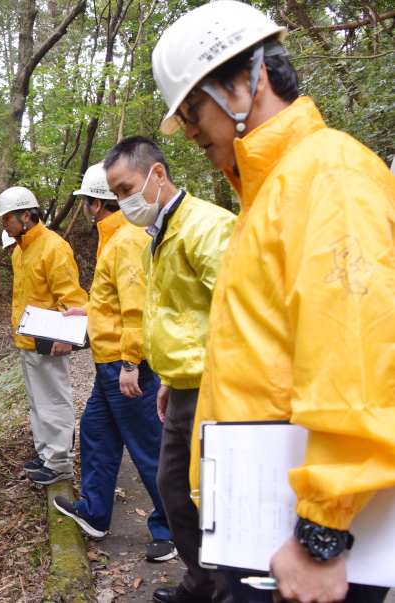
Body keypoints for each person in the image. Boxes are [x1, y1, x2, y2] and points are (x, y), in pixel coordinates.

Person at [152, 3, 395, 603]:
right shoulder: (268, 194)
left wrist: (322, 531)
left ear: (247, 80)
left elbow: (358, 359)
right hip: (260, 522)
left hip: (307, 535)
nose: (187, 130)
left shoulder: (330, 178)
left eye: (190, 111)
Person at [103, 138, 236, 603]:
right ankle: (199, 581)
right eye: (116, 194)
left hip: (219, 388)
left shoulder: (208, 227)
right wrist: (168, 378)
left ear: (157, 174)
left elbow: (239, 315)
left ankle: (226, 589)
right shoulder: (155, 240)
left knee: (215, 500)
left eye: (127, 188)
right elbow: (172, 315)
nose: (123, 202)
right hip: (181, 387)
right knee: (173, 491)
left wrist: (211, 384)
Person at [52, 163, 176, 563]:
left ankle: (172, 531)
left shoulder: (125, 240)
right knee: (95, 433)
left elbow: (137, 308)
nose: (85, 209)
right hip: (109, 365)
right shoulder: (115, 237)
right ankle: (95, 514)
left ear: (94, 203)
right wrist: (84, 311)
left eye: (86, 202)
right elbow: (112, 301)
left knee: (148, 448)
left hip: (126, 366)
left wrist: (129, 362)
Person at [0, 186, 89, 485]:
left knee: (54, 401)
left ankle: (60, 461)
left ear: (27, 215)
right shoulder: (20, 251)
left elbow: (71, 298)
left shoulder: (54, 247)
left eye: (8, 218)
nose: (4, 225)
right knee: (37, 402)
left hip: (50, 340)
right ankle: (47, 452)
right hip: (27, 339)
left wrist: (67, 337)